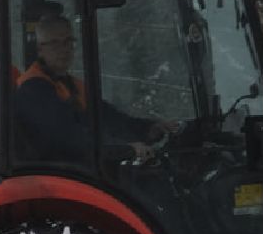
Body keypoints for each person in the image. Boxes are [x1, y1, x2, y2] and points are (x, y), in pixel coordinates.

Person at [15, 13, 173, 163]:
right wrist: (124, 149)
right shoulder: (34, 89)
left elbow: (108, 118)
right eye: (55, 43)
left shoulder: (70, 84)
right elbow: (70, 139)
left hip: (77, 168)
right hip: (55, 172)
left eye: (68, 41)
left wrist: (149, 129)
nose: (64, 49)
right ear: (40, 49)